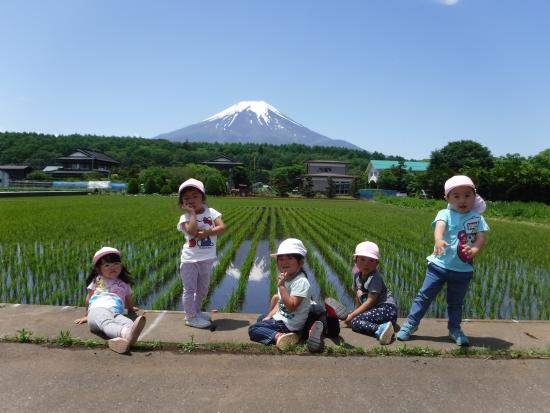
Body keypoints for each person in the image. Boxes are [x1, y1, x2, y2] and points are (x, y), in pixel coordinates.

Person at [396, 175, 490, 346]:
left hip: (463, 270)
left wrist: (474, 249)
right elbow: (439, 227)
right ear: (447, 198)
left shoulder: (477, 218)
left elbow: (481, 238)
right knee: (423, 297)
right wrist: (438, 240)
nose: (462, 200)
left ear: (474, 196)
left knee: (456, 303)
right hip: (438, 266)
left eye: (467, 195)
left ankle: (455, 329)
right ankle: (411, 324)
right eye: (456, 196)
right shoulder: (444, 213)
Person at [74, 247, 146, 354]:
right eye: (107, 265)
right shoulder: (97, 279)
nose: (112, 267)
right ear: (99, 269)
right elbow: (89, 297)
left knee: (128, 322)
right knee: (106, 323)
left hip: (115, 312)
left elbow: (128, 297)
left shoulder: (123, 283)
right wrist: (87, 315)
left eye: (116, 263)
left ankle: (121, 341)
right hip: (98, 310)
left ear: (121, 265)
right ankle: (125, 334)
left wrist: (130, 309)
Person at [325, 241, 397, 345]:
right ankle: (382, 326)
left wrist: (354, 316)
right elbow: (357, 297)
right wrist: (355, 313)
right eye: (362, 259)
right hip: (376, 310)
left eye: (371, 260)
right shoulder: (357, 276)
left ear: (377, 263)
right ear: (355, 260)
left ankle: (381, 329)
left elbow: (370, 301)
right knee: (352, 315)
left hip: (387, 310)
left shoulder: (375, 278)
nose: (366, 263)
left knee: (355, 322)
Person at [177, 178, 225, 329]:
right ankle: (190, 317)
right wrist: (192, 213)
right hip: (190, 260)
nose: (191, 200)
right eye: (186, 198)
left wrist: (207, 232)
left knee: (203, 289)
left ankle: (196, 311)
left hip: (207, 258)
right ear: (182, 203)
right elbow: (192, 232)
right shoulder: (184, 218)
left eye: (195, 196)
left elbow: (222, 227)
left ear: (202, 198)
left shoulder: (212, 212)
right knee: (189, 289)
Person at [248, 238, 312, 350]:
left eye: (289, 258)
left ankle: (281, 336)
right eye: (281, 259)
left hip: (290, 324)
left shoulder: (301, 282)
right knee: (261, 319)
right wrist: (269, 316)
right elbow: (280, 302)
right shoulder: (286, 277)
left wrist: (282, 287)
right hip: (283, 319)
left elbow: (291, 307)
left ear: (300, 263)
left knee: (253, 329)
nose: (284, 262)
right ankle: (290, 335)